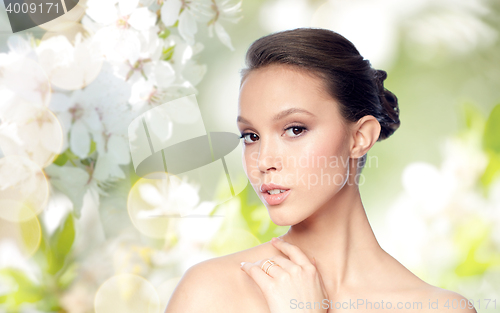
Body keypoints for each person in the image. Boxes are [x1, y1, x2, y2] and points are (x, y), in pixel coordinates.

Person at [164, 28, 476, 313]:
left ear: (359, 137)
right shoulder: (210, 293)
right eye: (251, 136)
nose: (263, 162)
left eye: (295, 129)